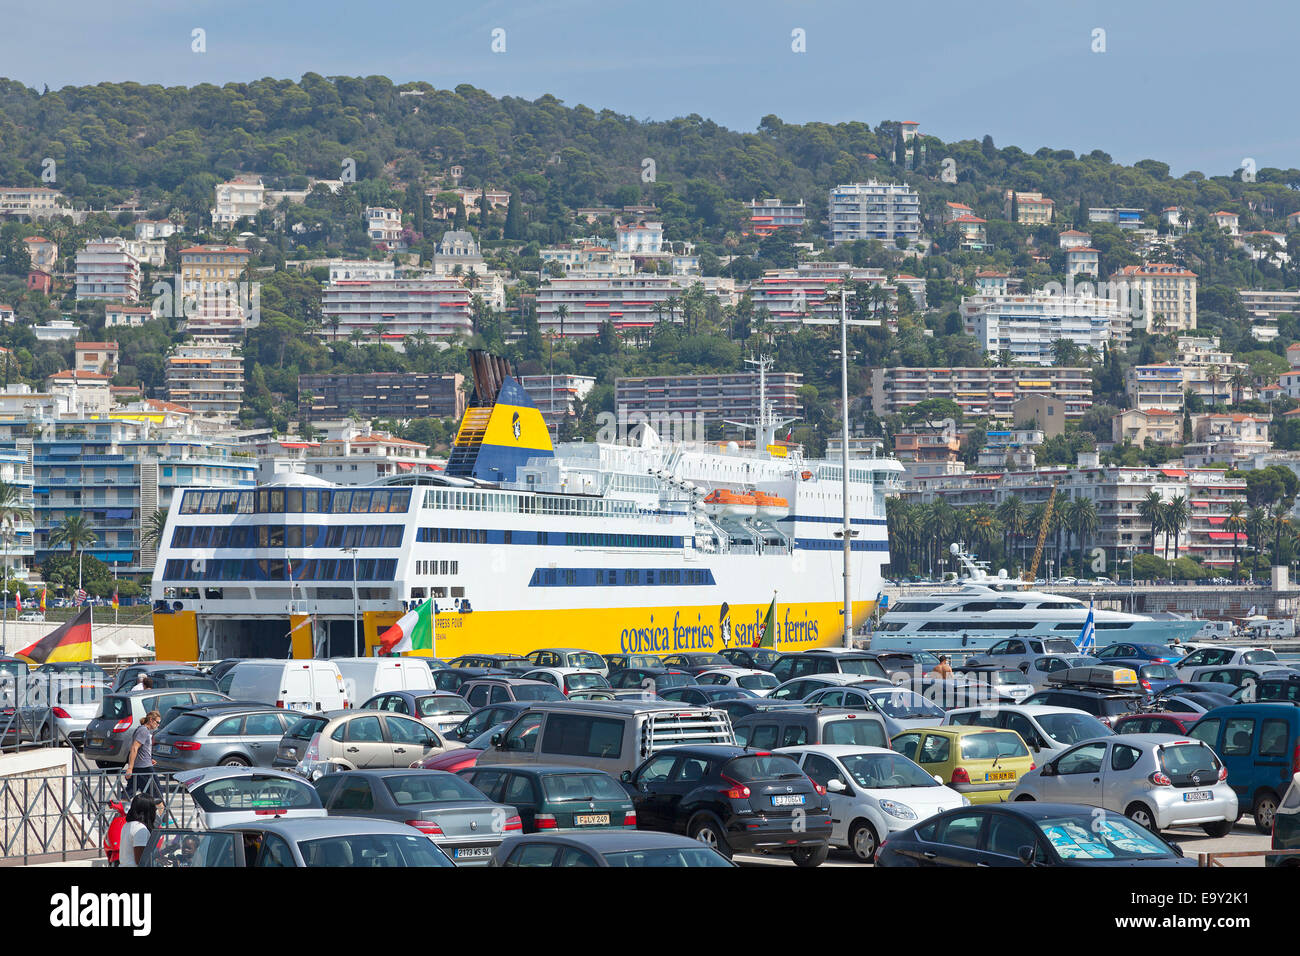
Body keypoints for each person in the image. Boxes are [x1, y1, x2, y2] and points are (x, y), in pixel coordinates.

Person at [124, 709, 161, 797]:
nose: (158, 725)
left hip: (142, 765)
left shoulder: (145, 731)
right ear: (151, 720)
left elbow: (142, 749)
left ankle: (119, 808)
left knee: (129, 793)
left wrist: (149, 759)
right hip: (144, 767)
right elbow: (134, 748)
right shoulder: (143, 731)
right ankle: (162, 811)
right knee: (157, 795)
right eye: (157, 722)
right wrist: (130, 768)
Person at [118, 793, 158, 868]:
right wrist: (156, 857)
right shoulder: (140, 829)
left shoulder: (128, 825)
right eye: (153, 808)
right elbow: (140, 860)